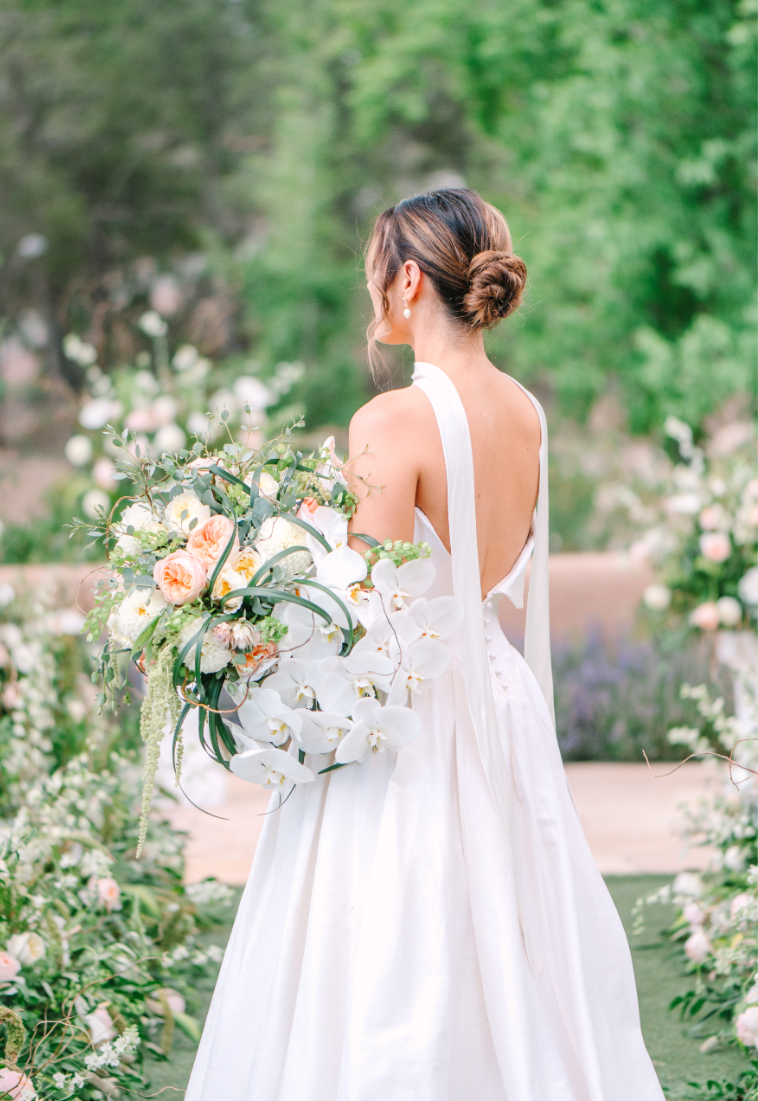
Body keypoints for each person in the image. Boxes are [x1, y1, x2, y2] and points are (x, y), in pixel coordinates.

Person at [185, 189, 664, 1100]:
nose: (373, 290)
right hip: (497, 696)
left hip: (406, 713)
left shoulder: (390, 422)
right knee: (511, 928)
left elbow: (360, 613)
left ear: (408, 279)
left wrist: (245, 612)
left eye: (377, 270)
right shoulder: (528, 412)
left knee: (389, 941)